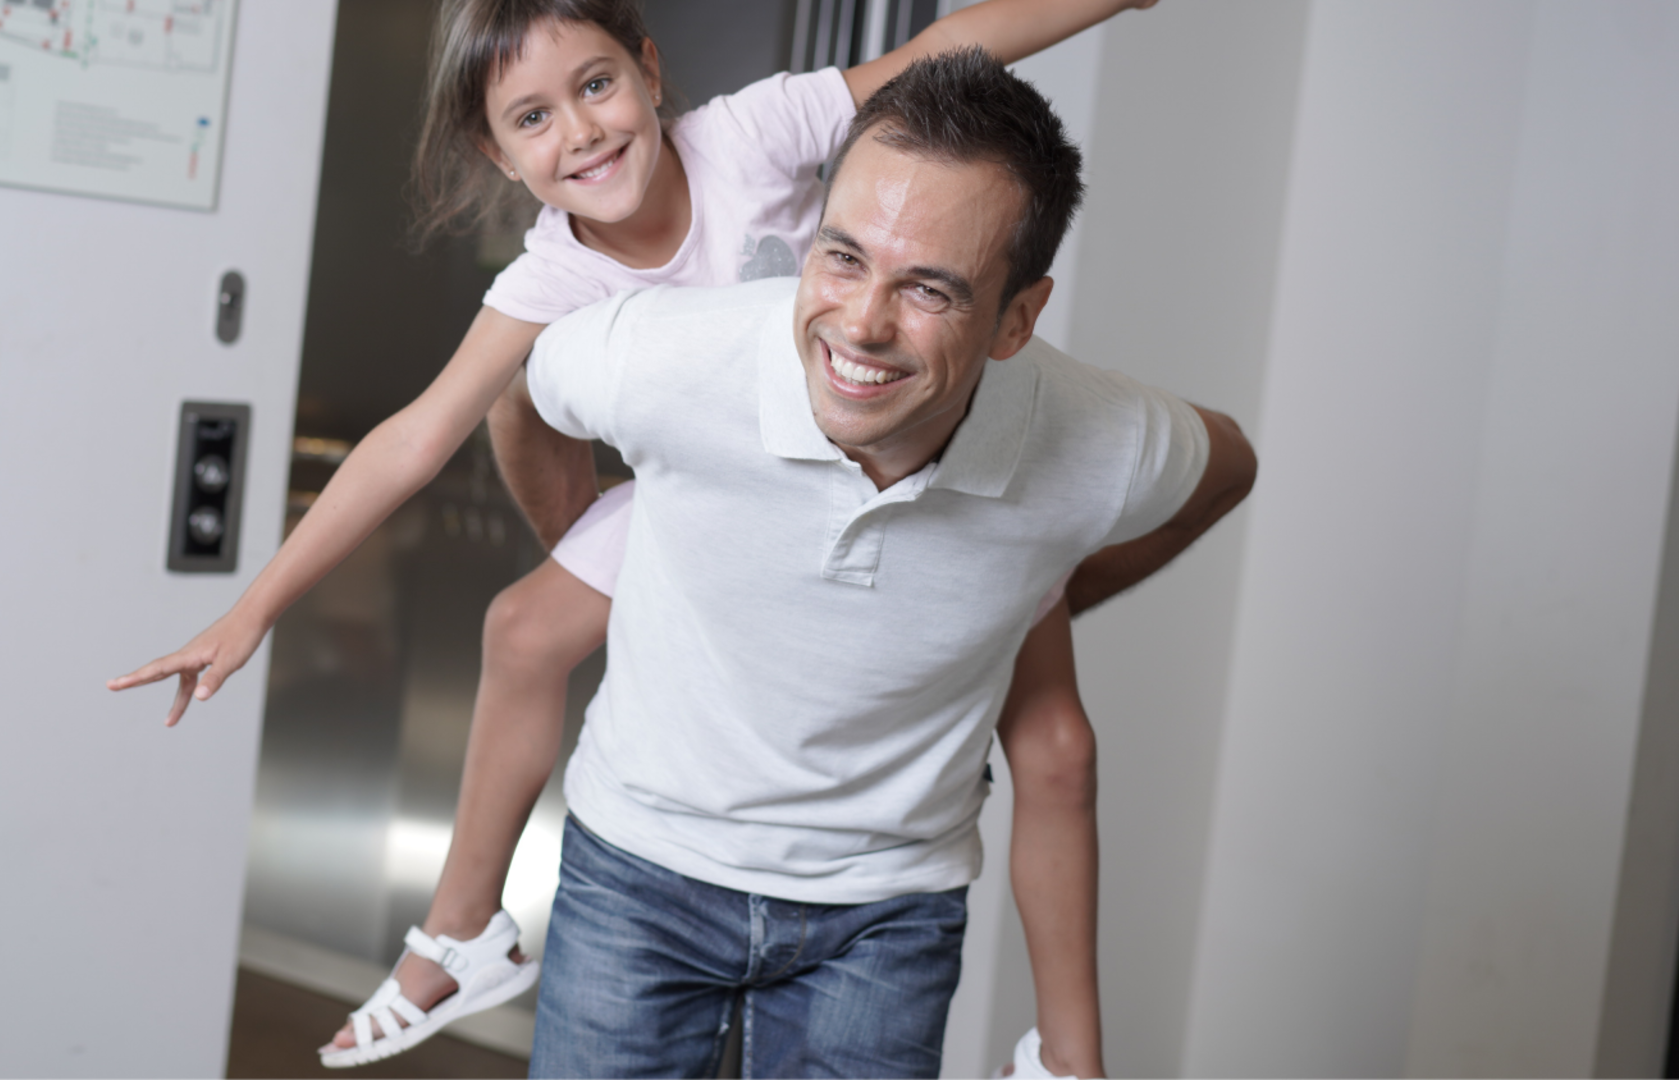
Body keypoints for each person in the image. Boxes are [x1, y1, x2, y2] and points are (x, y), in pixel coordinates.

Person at [106, 0, 1173, 1073]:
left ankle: (1067, 1055)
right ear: (498, 152)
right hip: (715, 501)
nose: (580, 131)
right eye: (531, 118)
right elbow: (415, 438)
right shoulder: (548, 278)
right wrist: (251, 614)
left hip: (897, 463)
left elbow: (933, 53)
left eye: (596, 85)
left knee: (1056, 744)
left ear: (651, 70)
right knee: (523, 629)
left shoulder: (749, 134)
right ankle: (462, 930)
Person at [514, 48, 1254, 1080]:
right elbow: (528, 387)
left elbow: (1229, 467)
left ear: (1017, 320)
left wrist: (1044, 590)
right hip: (641, 864)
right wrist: (585, 540)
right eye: (843, 257)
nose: (861, 325)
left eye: (930, 289)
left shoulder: (1100, 439)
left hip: (885, 913)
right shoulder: (663, 359)